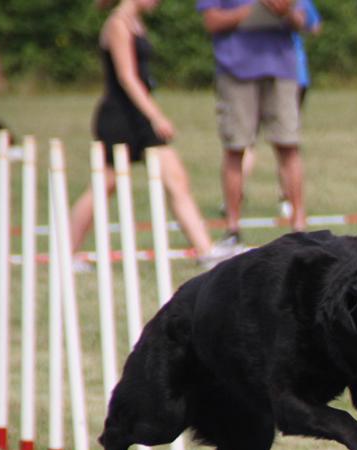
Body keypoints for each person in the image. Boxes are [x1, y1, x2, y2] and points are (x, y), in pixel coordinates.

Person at [69, 0, 239, 268]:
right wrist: (156, 115)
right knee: (104, 186)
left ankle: (205, 250)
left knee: (176, 178)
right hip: (120, 117)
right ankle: (67, 251)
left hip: (138, 115)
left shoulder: (137, 23)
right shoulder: (118, 24)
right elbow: (127, 77)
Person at [196, 0, 308, 242]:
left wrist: (285, 11)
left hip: (281, 68)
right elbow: (212, 21)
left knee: (288, 144)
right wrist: (253, 11)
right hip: (236, 69)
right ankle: (233, 229)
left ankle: (299, 227)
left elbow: (305, 22)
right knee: (236, 147)